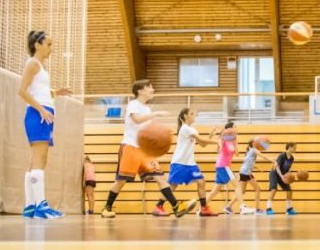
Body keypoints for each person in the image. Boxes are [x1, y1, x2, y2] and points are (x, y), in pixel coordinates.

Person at [101, 80, 193, 219]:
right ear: (140, 90)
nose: (152, 89)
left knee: (160, 177)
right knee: (121, 181)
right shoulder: (133, 104)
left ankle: (176, 207)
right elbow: (137, 120)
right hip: (130, 146)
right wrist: (155, 114)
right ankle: (107, 207)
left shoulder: (147, 109)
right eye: (149, 87)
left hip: (145, 150)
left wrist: (163, 134)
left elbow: (148, 130)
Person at [18, 31, 72, 219]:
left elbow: (38, 90)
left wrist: (56, 92)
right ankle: (41, 205)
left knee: (35, 161)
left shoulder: (39, 66)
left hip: (42, 113)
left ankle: (30, 206)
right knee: (40, 160)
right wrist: (41, 109)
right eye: (48, 44)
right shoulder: (33, 64)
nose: (51, 49)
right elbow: (22, 91)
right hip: (38, 114)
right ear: (37, 45)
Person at [154, 108, 219, 217]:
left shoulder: (193, 129)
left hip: (191, 164)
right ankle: (159, 206)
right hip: (179, 162)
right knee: (173, 186)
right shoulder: (185, 128)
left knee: (201, 181)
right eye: (192, 113)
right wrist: (216, 141)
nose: (194, 115)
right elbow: (201, 140)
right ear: (184, 116)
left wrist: (211, 135)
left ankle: (204, 208)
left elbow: (202, 144)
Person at [225, 139, 273, 215]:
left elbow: (248, 162)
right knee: (257, 189)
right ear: (254, 144)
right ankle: (257, 209)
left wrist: (256, 167)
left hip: (245, 172)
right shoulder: (253, 150)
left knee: (242, 192)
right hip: (245, 173)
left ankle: (228, 206)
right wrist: (273, 161)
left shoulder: (250, 151)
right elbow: (263, 156)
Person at [205, 122, 238, 207]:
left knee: (215, 190)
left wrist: (235, 141)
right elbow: (217, 141)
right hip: (223, 165)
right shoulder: (224, 138)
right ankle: (242, 207)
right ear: (229, 129)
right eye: (235, 127)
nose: (236, 128)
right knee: (238, 186)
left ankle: (202, 207)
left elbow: (237, 153)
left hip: (222, 166)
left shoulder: (232, 141)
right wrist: (214, 133)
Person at [265, 143, 297, 215]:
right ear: (289, 147)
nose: (295, 149)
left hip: (282, 175)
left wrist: (289, 175)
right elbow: (277, 167)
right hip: (274, 173)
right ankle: (268, 208)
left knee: (289, 191)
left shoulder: (292, 158)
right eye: (294, 147)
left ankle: (289, 209)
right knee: (274, 190)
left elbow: (287, 169)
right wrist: (282, 176)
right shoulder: (282, 155)